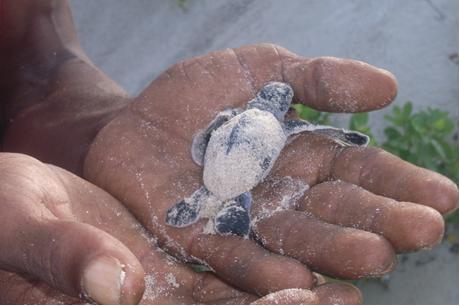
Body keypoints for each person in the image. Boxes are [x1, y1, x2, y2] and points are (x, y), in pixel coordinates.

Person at [0, 0, 457, 304]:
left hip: (223, 163)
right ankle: (216, 201)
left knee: (218, 190)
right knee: (225, 193)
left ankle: (209, 199)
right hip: (233, 167)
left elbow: (32, 49)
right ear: (279, 108)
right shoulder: (277, 127)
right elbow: (292, 130)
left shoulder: (242, 118)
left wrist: (91, 129)